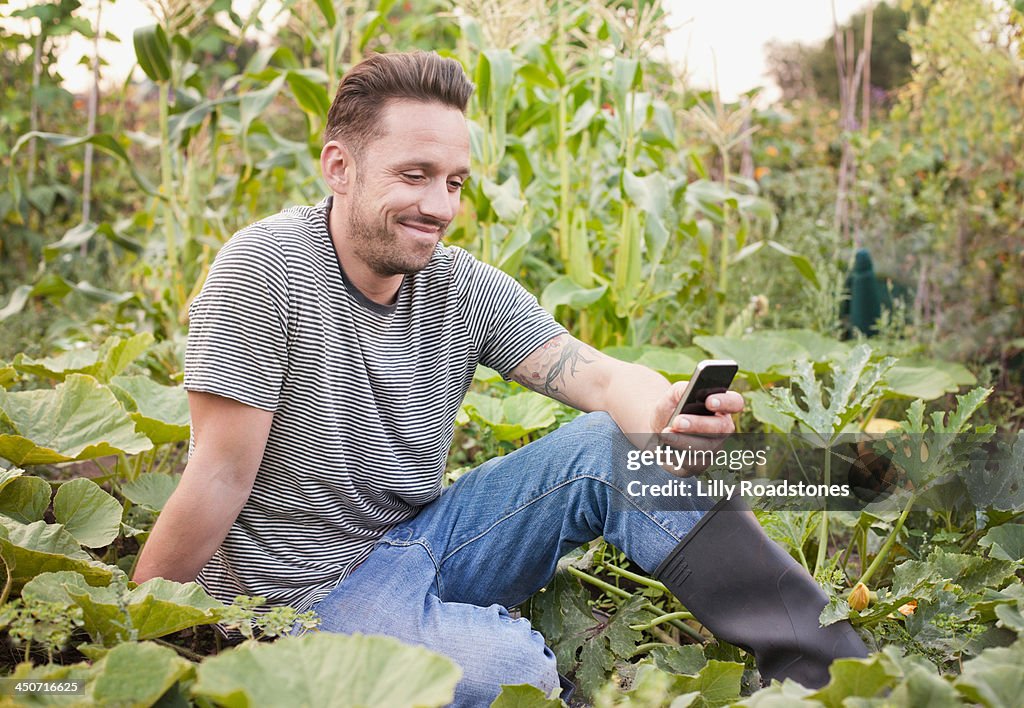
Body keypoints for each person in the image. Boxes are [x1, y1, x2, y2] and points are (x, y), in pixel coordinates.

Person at [133, 51, 866, 705]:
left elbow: (601, 378)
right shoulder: (264, 271)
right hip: (300, 597)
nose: (439, 207)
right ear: (338, 167)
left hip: (421, 542)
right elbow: (218, 476)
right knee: (514, 672)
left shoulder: (461, 286)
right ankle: (478, 653)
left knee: (615, 450)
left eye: (454, 182)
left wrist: (666, 414)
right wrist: (134, 638)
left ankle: (836, 675)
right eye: (413, 176)